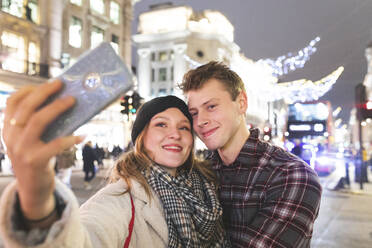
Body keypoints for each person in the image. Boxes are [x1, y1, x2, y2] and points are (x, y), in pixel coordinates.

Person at [0, 80, 229, 247]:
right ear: (141, 138)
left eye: (184, 127)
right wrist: (37, 200)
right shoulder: (120, 199)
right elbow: (82, 240)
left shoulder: (208, 186)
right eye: (161, 125)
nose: (175, 134)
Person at [180, 61, 322, 248]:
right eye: (194, 113)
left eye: (211, 106)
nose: (201, 121)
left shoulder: (294, 175)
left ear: (241, 103)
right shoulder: (198, 173)